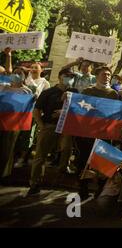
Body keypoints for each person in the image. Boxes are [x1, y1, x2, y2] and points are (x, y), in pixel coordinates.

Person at [26, 68, 77, 196]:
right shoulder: (48, 92)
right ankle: (34, 183)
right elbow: (37, 110)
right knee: (40, 156)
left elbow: (80, 111)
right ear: (60, 77)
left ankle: (62, 172)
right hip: (49, 126)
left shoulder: (75, 93)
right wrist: (42, 126)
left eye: (71, 76)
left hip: (67, 128)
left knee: (66, 150)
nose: (69, 78)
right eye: (66, 76)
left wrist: (64, 111)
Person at [76, 66, 120, 200]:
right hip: (87, 133)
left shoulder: (113, 94)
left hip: (104, 134)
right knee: (83, 160)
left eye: (108, 75)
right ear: (97, 76)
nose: (106, 77)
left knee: (102, 162)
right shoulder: (88, 91)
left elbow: (116, 113)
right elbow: (78, 107)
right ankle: (83, 188)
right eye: (104, 74)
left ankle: (100, 189)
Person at [0, 67, 33, 181]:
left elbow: (27, 111)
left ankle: (3, 174)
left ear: (25, 76)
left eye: (20, 73)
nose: (17, 75)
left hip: (12, 126)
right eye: (15, 73)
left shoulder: (27, 91)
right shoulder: (3, 86)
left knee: (5, 152)